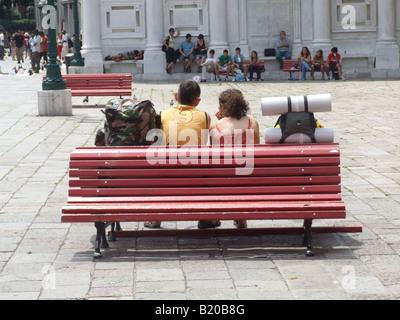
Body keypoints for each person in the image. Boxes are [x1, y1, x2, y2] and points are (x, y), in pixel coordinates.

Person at [145, 80, 211, 229]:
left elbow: (158, 142)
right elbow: (203, 143)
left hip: (167, 176)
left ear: (176, 96)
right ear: (198, 101)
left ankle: (155, 219)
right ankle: (203, 218)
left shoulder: (162, 115)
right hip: (195, 177)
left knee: (158, 163)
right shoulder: (206, 116)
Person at [210, 89, 260, 229]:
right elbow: (256, 150)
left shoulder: (215, 127)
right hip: (248, 178)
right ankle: (241, 217)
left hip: (224, 179)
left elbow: (215, 155)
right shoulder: (253, 123)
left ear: (222, 107)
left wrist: (220, 122)